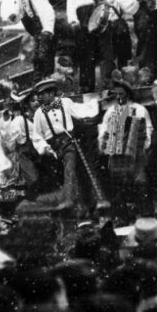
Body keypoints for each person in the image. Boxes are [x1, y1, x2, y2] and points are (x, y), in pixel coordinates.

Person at [30, 78, 107, 212]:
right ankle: (82, 207)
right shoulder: (38, 114)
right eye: (39, 95)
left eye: (43, 94)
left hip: (69, 142)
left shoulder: (65, 102)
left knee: (70, 169)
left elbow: (80, 110)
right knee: (70, 175)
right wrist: (45, 149)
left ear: (51, 93)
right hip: (53, 148)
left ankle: (70, 200)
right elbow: (36, 136)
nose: (40, 98)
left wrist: (95, 102)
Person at [98, 79, 153, 210]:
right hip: (117, 157)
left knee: (141, 182)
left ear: (128, 94)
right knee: (117, 185)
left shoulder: (139, 109)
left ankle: (145, 215)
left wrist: (143, 143)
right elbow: (103, 131)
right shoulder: (111, 111)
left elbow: (148, 128)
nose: (118, 97)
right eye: (116, 94)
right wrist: (105, 141)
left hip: (136, 155)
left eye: (121, 94)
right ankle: (121, 217)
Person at [66, 0, 116, 92]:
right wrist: (73, 20)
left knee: (106, 52)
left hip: (100, 14)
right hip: (83, 16)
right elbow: (70, 3)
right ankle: (87, 86)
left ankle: (109, 83)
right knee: (86, 53)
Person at [15, 0, 57, 77]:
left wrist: (47, 31)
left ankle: (46, 85)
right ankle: (41, 85)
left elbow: (47, 12)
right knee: (38, 60)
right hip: (37, 33)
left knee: (43, 59)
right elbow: (22, 13)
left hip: (43, 32)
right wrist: (15, 17)